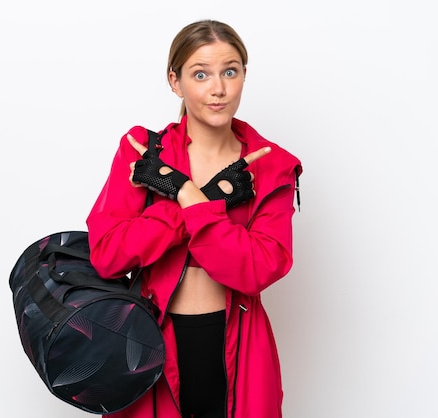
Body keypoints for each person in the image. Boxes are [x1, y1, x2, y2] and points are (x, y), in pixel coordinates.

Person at [86, 19, 302, 418]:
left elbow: (258, 268)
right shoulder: (144, 153)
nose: (218, 88)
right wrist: (198, 201)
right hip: (147, 342)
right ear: (175, 81)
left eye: (230, 71)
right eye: (200, 74)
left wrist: (185, 193)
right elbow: (107, 255)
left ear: (243, 76)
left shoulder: (272, 167)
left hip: (239, 343)